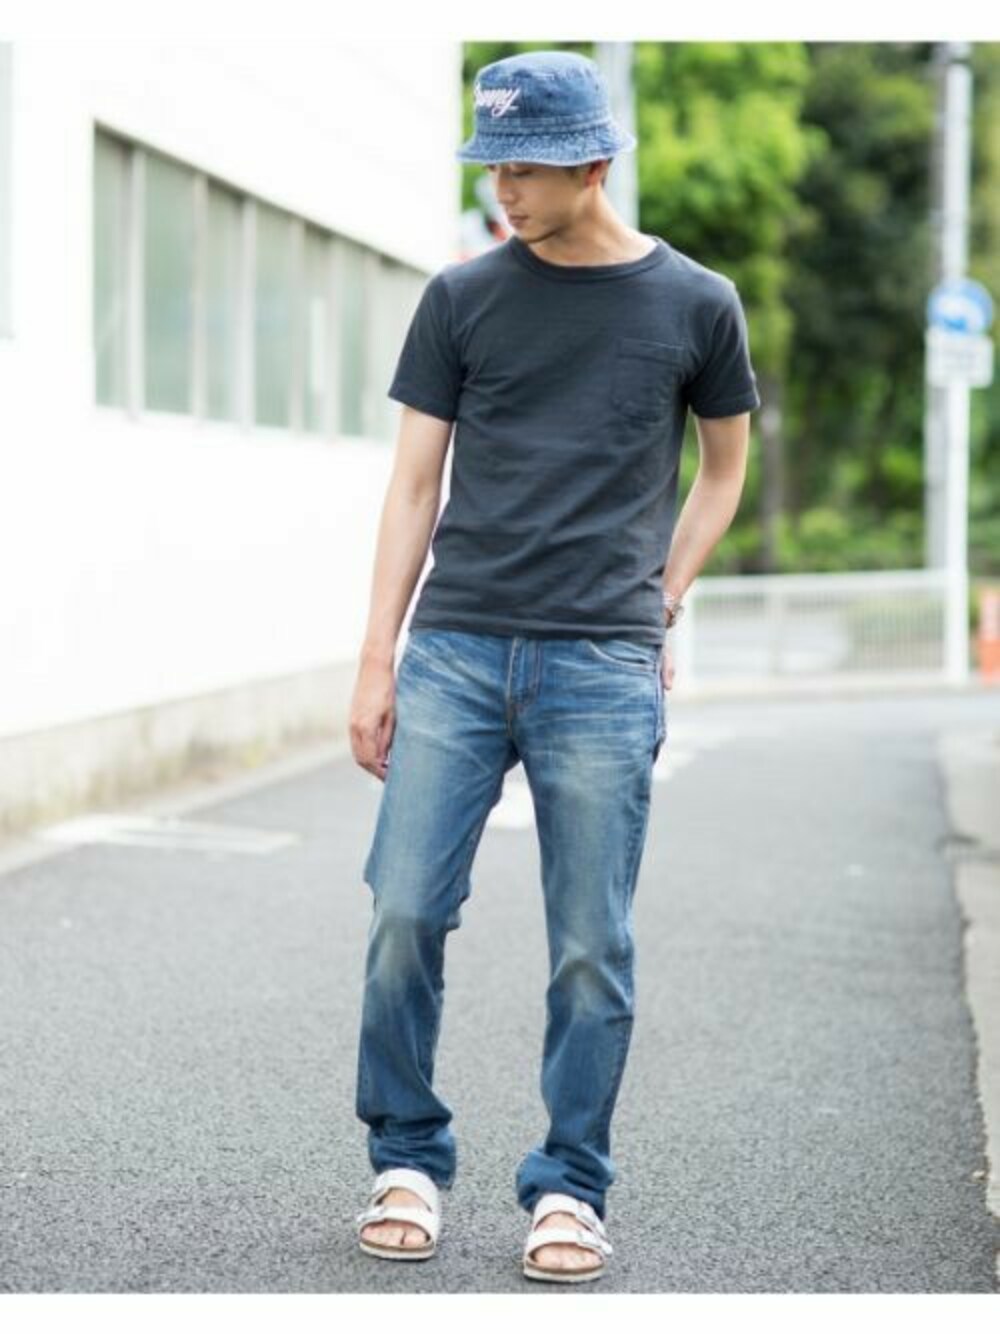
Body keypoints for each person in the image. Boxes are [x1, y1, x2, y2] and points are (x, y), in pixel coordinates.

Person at [350, 48, 761, 1283]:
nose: (503, 190)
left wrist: (662, 596)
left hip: (601, 659)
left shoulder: (697, 304)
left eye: (522, 168)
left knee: (590, 942)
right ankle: (405, 1155)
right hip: (457, 648)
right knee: (404, 911)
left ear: (591, 164)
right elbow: (412, 485)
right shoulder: (461, 297)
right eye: (491, 167)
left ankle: (570, 1183)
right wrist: (376, 658)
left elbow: (723, 470)